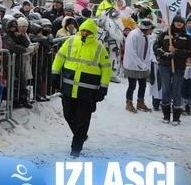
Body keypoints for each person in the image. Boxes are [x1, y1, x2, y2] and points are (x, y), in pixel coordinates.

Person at [51, 18, 112, 157]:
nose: (85, 33)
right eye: (83, 30)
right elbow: (59, 57)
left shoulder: (99, 47)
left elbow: (106, 68)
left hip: (88, 91)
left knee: (84, 119)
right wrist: (55, 74)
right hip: (69, 87)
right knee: (68, 114)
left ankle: (76, 147)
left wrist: (103, 87)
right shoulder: (71, 41)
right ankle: (81, 135)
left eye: (88, 31)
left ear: (93, 32)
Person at [153, 14, 191, 125]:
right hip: (165, 66)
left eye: (181, 22)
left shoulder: (187, 36)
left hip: (179, 67)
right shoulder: (165, 34)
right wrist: (166, 54)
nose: (179, 23)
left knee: (176, 91)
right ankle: (166, 115)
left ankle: (176, 117)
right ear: (173, 22)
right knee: (166, 90)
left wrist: (176, 51)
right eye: (177, 21)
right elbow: (156, 48)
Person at [123, 20, 154, 113]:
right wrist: (139, 64)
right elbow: (131, 51)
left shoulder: (146, 36)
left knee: (143, 85)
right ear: (146, 29)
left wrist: (145, 64)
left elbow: (146, 51)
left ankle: (140, 102)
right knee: (132, 85)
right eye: (150, 29)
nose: (151, 31)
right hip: (132, 65)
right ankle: (129, 103)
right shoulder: (133, 35)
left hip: (143, 64)